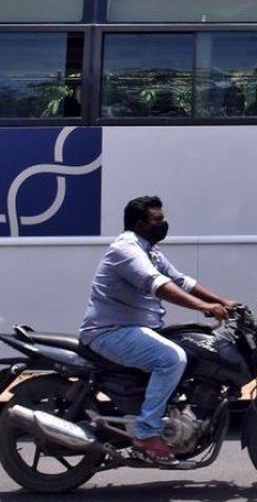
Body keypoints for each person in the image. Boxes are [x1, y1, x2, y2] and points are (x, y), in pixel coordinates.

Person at [79, 195, 234, 465]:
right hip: (110, 332)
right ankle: (147, 433)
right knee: (171, 358)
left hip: (134, 329)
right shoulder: (126, 249)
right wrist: (203, 307)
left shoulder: (149, 250)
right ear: (141, 224)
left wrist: (222, 301)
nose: (164, 224)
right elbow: (158, 285)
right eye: (158, 220)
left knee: (193, 346)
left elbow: (180, 280)